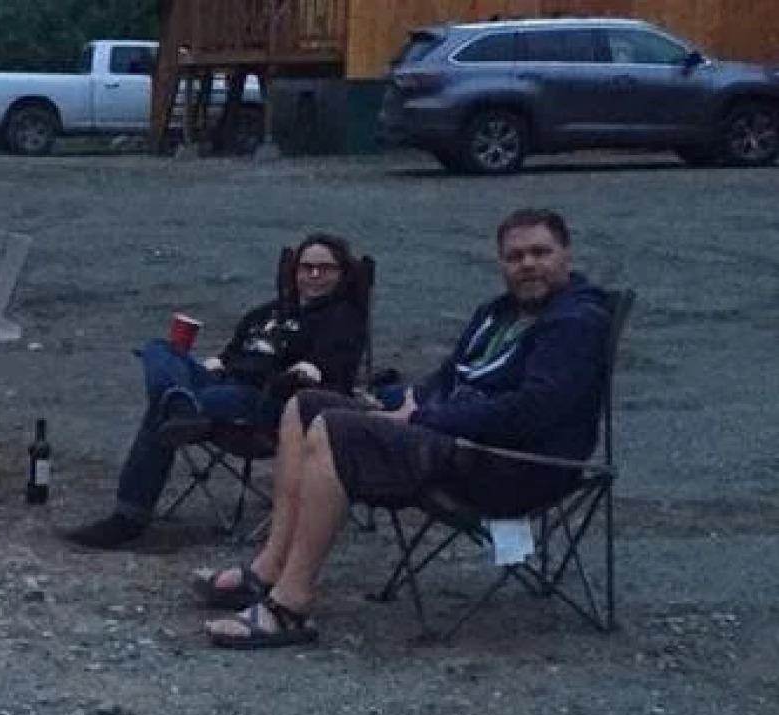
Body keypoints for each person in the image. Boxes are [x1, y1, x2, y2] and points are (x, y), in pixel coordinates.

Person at [196, 208, 610, 649]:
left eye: (540, 253)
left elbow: (529, 413)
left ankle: (290, 606)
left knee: (336, 431)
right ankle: (268, 569)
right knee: (304, 406)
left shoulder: (574, 324)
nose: (527, 264)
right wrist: (409, 402)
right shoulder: (499, 311)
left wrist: (422, 418)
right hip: (459, 440)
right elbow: (451, 376)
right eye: (515, 256)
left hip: (513, 465)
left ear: (566, 255)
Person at [64, 234, 368, 549]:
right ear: (294, 272)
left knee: (166, 407)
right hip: (223, 385)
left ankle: (129, 517)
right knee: (158, 349)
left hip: (265, 400)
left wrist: (299, 375)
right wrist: (216, 364)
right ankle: (181, 402)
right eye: (306, 268)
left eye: (325, 269)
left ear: (341, 274)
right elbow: (230, 354)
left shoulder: (342, 319)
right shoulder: (266, 313)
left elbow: (334, 379)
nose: (314, 275)